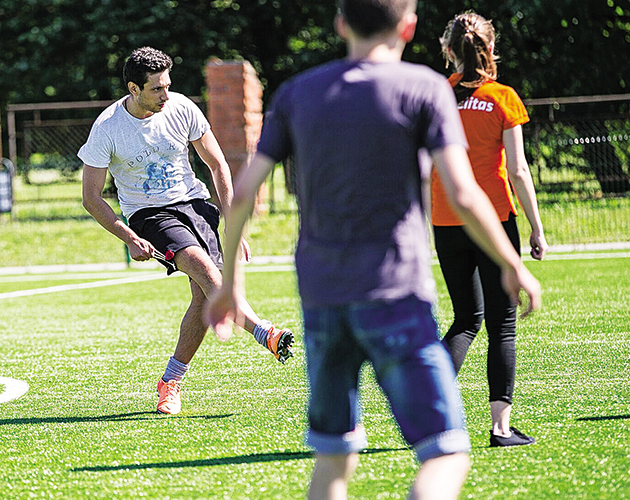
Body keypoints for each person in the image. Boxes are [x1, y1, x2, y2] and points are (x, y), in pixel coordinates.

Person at [207, 0, 541, 498]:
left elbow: (240, 198)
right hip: (396, 292)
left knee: (333, 459)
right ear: (409, 26)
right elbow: (464, 192)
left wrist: (231, 286)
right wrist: (511, 262)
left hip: (322, 298)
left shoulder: (298, 92)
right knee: (444, 454)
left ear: (341, 24)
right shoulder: (425, 88)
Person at [78, 46, 294, 416]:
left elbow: (217, 164)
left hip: (195, 205)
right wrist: (129, 236)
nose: (166, 95)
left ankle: (170, 381)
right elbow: (90, 197)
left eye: (167, 85)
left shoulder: (181, 107)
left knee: (204, 297)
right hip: (150, 215)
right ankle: (264, 331)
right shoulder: (108, 128)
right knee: (206, 271)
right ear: (133, 89)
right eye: (156, 89)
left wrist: (233, 225)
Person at [431, 12, 549, 447]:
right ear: (491, 48)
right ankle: (501, 428)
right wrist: (536, 228)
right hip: (495, 219)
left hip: (445, 219)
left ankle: (426, 411)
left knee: (465, 319)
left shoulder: (436, 94)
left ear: (449, 51)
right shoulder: (503, 97)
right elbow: (518, 170)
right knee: (502, 324)